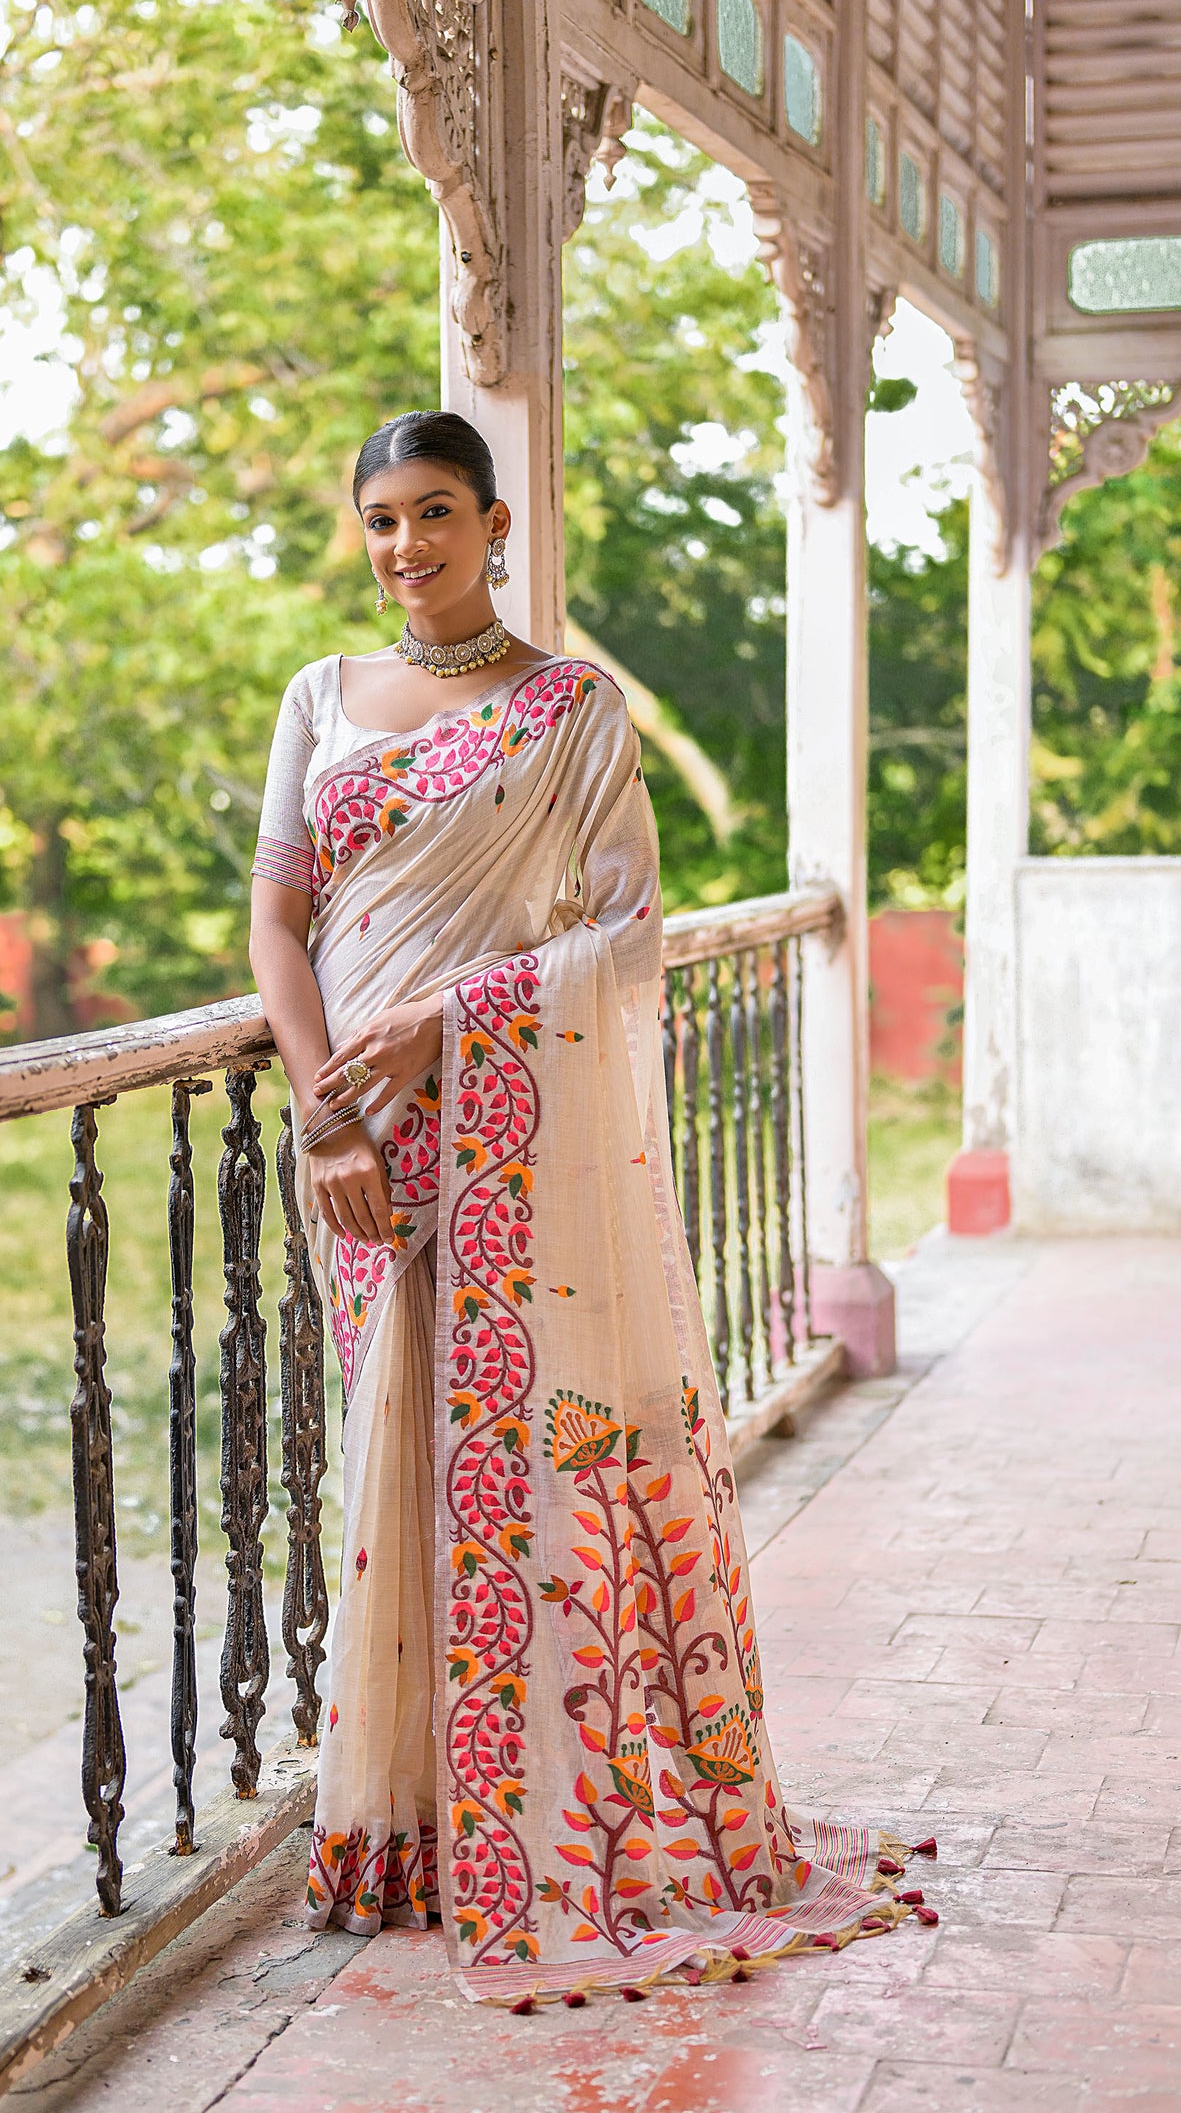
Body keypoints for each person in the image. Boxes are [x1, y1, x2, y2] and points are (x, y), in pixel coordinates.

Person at [248, 410, 915, 2007]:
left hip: (499, 1128)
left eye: (433, 515)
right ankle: (399, 1826)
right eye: (379, 522)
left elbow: (622, 934)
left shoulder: (570, 712)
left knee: (509, 1473)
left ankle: (528, 1822)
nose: (404, 547)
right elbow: (277, 920)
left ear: (493, 523)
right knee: (384, 1469)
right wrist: (324, 1101)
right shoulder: (319, 701)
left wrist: (446, 1020)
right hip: (358, 1140)